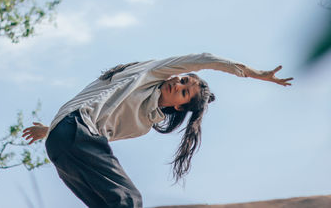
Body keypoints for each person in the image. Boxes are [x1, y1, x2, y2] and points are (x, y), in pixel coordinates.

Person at [22, 53, 293, 208]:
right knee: (129, 201)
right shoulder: (153, 73)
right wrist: (252, 73)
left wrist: (50, 130)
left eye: (185, 91)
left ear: (179, 106)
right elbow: (206, 59)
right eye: (183, 79)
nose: (179, 84)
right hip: (72, 130)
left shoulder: (142, 124)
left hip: (65, 143)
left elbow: (99, 126)